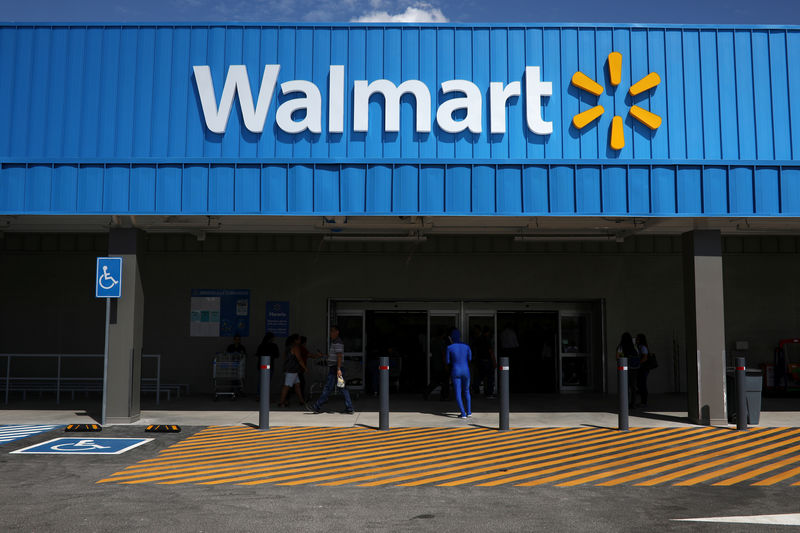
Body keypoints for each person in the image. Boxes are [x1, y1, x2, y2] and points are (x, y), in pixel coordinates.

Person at [310, 325, 354, 414]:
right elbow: (334, 356)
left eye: (332, 331)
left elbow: (339, 356)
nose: (331, 333)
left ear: (337, 332)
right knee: (342, 388)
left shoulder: (338, 342)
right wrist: (323, 355)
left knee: (328, 388)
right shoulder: (335, 342)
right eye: (330, 331)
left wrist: (338, 369)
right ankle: (349, 408)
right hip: (336, 368)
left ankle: (317, 406)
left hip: (335, 368)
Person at [446, 328, 472, 419]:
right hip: (466, 371)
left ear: (451, 337)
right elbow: (470, 359)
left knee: (458, 392)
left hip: (456, 370)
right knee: (466, 391)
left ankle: (463, 413)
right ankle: (469, 411)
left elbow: (447, 361)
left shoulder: (449, 347)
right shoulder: (466, 346)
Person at [278, 334, 308, 408]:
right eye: (299, 339)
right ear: (296, 340)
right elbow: (299, 359)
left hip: (289, 369)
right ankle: (281, 402)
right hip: (292, 370)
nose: (300, 340)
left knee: (297, 385)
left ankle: (301, 401)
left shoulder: (288, 347)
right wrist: (305, 368)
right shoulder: (296, 347)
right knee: (287, 386)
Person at [424, 329, 450, 401]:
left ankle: (427, 392)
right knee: (444, 381)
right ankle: (444, 396)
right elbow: (443, 355)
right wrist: (446, 365)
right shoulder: (441, 342)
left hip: (435, 364)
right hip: (441, 365)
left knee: (437, 381)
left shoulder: (433, 342)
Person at [616, 332, 640, 408]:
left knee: (624, 386)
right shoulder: (634, 347)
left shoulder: (620, 347)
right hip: (634, 368)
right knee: (633, 386)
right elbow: (638, 356)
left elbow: (618, 357)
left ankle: (624, 403)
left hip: (624, 369)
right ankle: (633, 403)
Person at [254, 331, 279, 399]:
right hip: (269, 366)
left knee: (261, 381)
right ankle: (265, 396)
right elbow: (277, 355)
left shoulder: (261, 345)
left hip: (262, 366)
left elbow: (258, 354)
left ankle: (260, 395)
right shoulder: (273, 346)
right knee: (267, 382)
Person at [473, 327, 496, 398]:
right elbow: (490, 351)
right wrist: (494, 361)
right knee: (489, 378)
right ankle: (489, 393)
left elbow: (475, 350)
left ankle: (475, 389)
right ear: (488, 333)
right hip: (487, 360)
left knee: (480, 376)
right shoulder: (487, 339)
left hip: (479, 361)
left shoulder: (478, 339)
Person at [635, 333, 651, 407]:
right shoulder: (640, 347)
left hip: (643, 368)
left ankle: (644, 401)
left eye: (637, 339)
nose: (636, 340)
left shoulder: (643, 347)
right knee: (641, 384)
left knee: (642, 384)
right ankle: (643, 401)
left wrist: (638, 363)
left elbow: (645, 358)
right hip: (642, 368)